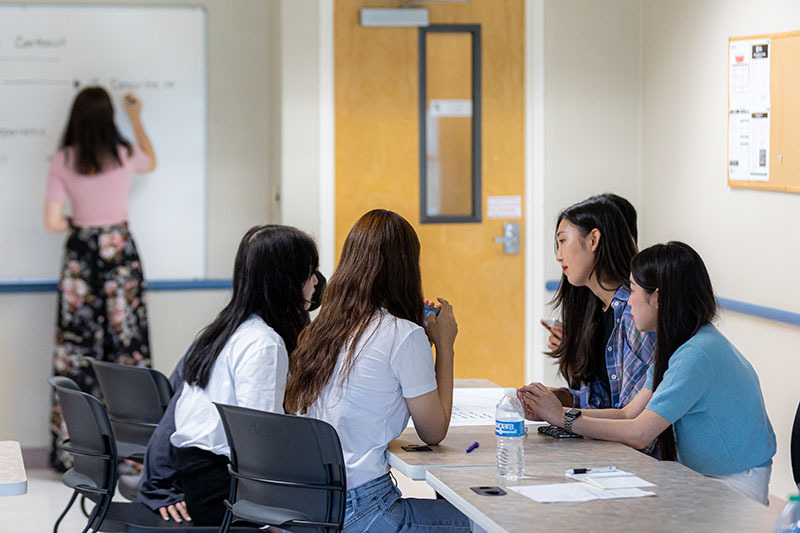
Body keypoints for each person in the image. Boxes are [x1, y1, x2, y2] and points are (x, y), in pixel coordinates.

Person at [520, 242, 777, 505]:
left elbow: (639, 434)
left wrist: (562, 417)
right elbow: (628, 413)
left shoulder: (697, 354)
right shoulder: (680, 344)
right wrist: (550, 413)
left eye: (632, 290)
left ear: (657, 297)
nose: (628, 301)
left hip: (733, 485)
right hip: (705, 477)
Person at [284, 209, 471, 533]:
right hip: (363, 511)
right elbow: (433, 431)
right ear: (407, 268)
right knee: (482, 523)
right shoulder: (402, 335)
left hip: (310, 509)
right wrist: (445, 346)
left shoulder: (322, 330)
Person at [139, 270, 326, 523]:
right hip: (207, 484)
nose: (306, 320)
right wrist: (157, 485)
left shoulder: (227, 332)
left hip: (204, 475)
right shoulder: (262, 343)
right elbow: (260, 445)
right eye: (306, 306)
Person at [44, 87, 157, 471]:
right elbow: (151, 162)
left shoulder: (63, 159)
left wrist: (80, 224)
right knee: (127, 348)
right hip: (118, 249)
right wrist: (137, 116)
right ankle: (135, 454)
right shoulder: (124, 152)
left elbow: (52, 221)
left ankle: (74, 451)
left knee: (76, 351)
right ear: (109, 118)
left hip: (81, 255)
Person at [527, 196, 655, 418]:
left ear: (594, 240)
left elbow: (631, 418)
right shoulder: (598, 308)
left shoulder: (634, 313)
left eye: (563, 241)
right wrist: (558, 398)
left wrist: (560, 414)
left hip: (635, 451)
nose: (558, 256)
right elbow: (603, 401)